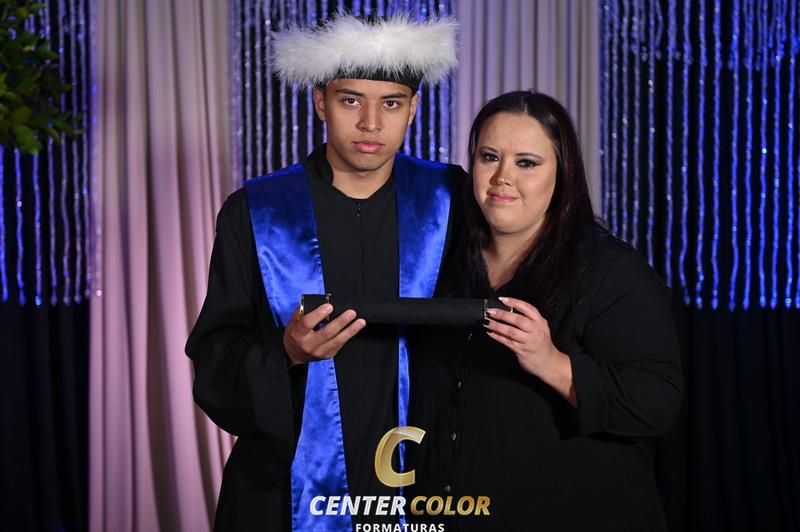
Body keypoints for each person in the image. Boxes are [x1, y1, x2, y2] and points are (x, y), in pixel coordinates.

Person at [185, 13, 462, 532]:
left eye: (391, 103)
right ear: (320, 102)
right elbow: (214, 359)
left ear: (413, 109)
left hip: (421, 482)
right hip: (283, 492)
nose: (371, 123)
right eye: (350, 100)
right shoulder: (258, 212)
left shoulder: (451, 202)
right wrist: (285, 352)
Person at [408, 91, 684, 531]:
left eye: (527, 163)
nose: (503, 177)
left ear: (562, 173)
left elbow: (656, 404)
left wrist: (552, 362)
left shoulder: (609, 270)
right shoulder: (436, 260)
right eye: (489, 157)